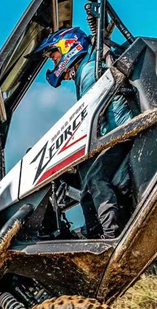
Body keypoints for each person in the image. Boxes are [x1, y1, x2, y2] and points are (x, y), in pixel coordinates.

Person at [35, 28, 137, 238]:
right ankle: (93, 234)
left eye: (54, 57)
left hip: (122, 135)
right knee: (87, 188)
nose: (54, 65)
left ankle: (111, 235)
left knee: (96, 178)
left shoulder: (89, 70)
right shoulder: (87, 68)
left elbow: (91, 118)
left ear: (67, 48)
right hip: (115, 136)